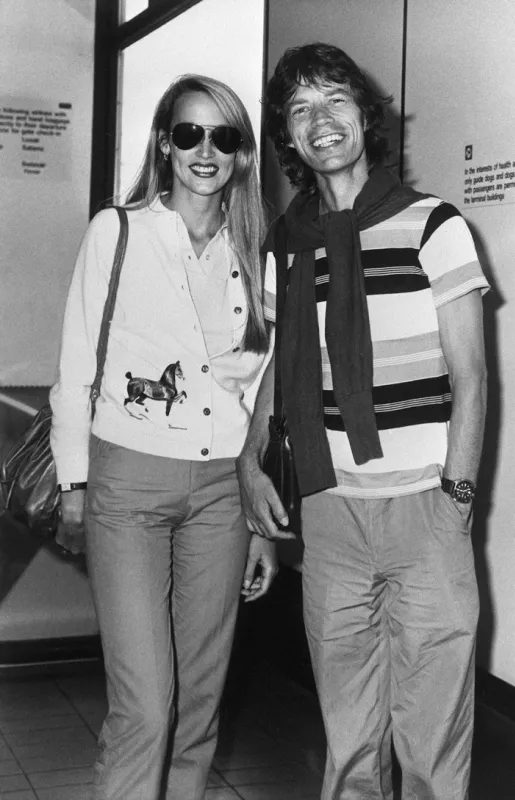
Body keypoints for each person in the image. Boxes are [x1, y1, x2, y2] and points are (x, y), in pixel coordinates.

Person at [237, 43, 489, 800]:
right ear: (288, 135)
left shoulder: (433, 225)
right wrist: (250, 471)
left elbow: (472, 379)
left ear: (365, 115)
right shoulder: (288, 245)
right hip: (331, 511)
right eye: (300, 107)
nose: (321, 119)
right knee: (347, 741)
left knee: (432, 745)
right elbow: (276, 380)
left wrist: (457, 501)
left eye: (335, 99)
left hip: (425, 510)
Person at [50, 74, 277, 800]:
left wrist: (261, 518)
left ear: (242, 154)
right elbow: (75, 365)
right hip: (129, 484)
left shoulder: (261, 255)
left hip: (223, 493)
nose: (205, 151)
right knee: (145, 703)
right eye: (189, 133)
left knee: (200, 704)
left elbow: (260, 394)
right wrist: (74, 482)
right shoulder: (119, 231)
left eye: (224, 136)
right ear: (164, 142)